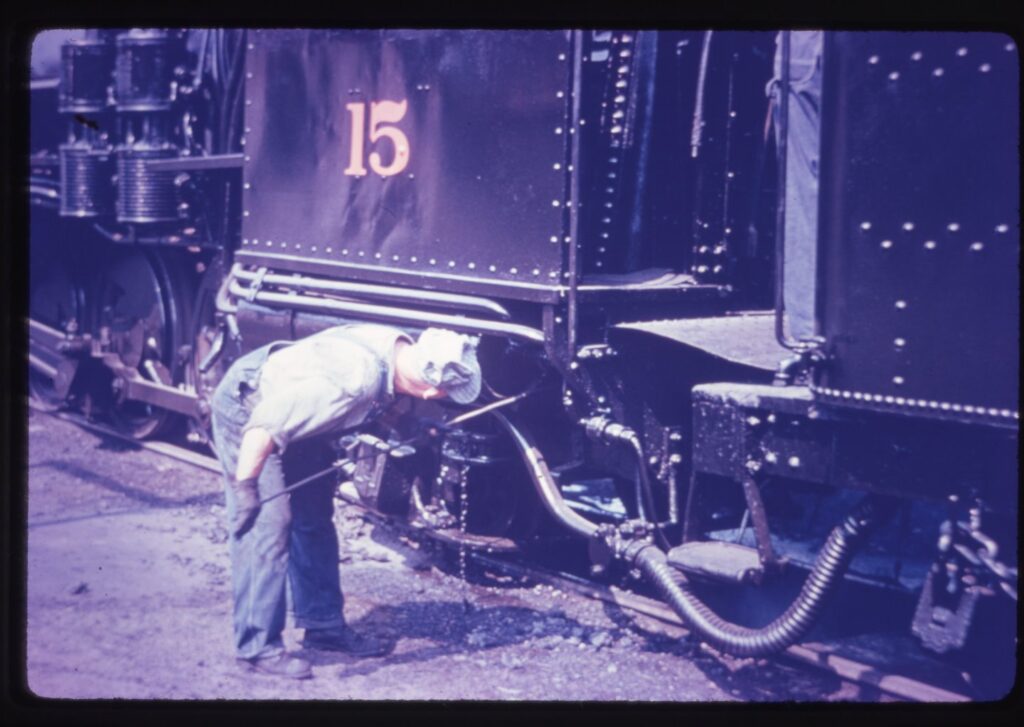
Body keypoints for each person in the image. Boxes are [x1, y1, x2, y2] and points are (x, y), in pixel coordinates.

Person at [210, 323, 482, 679]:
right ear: (431, 390)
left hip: (298, 411)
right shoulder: (350, 383)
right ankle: (256, 648)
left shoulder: (398, 350)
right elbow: (262, 429)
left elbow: (377, 400)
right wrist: (245, 488)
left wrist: (402, 426)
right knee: (268, 524)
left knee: (313, 516)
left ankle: (323, 626)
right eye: (444, 392)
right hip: (250, 409)